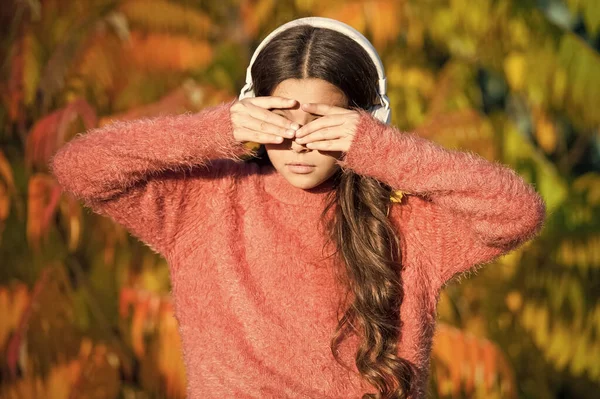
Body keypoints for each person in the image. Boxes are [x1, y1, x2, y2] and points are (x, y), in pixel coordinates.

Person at [49, 16, 546, 399]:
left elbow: (517, 212)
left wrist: (380, 149)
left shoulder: (406, 221)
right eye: (281, 118)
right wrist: (217, 129)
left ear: (365, 119)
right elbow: (79, 167)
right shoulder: (203, 201)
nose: (299, 141)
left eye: (321, 122)